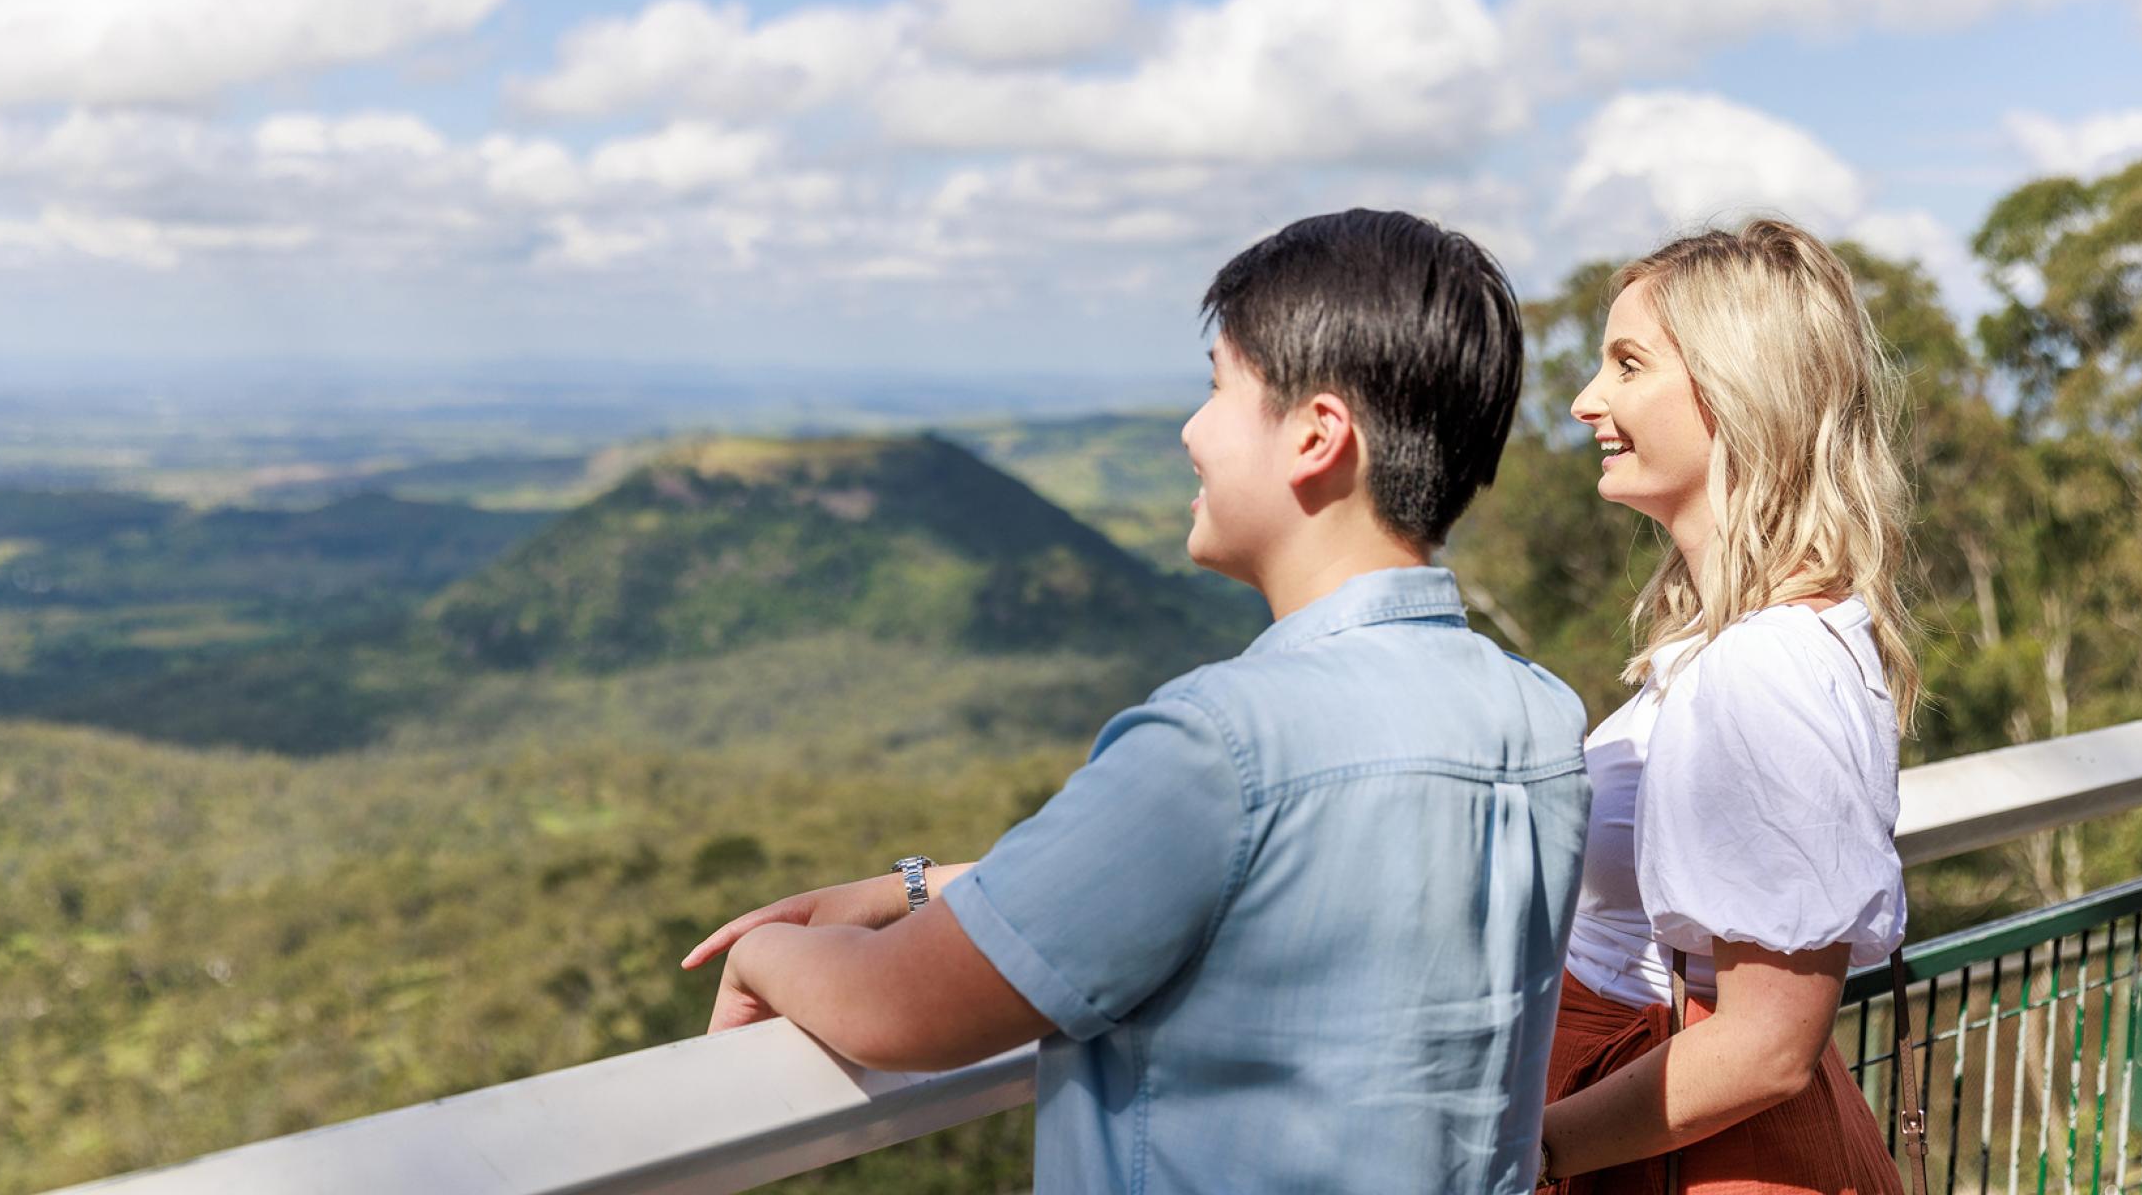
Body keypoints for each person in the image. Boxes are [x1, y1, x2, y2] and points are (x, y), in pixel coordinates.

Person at [680, 209, 1594, 1193]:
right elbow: (1281, 868)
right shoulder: (1538, 721)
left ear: (1316, 436)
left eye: (1217, 387)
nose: (1191, 431)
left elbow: (905, 1012)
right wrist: (910, 888)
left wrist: (771, 951)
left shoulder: (1224, 743)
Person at [1535, 220, 1920, 1192]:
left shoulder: (1767, 667)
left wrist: (1533, 1155)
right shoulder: (1750, 642)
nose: (1588, 401)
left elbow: (1766, 1045)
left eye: (1628, 364)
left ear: (1739, 388)